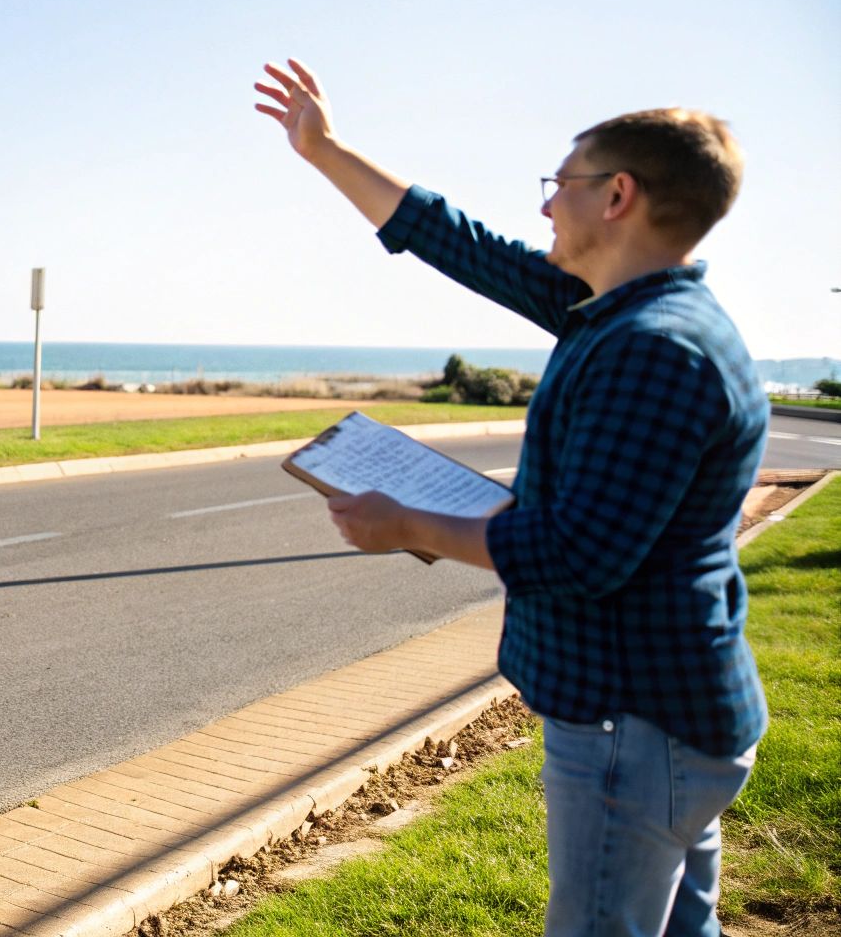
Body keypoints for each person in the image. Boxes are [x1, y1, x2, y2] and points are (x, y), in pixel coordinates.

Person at [253, 59, 766, 936]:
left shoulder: (654, 348)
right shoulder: (607, 307)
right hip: (663, 719)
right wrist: (324, 150)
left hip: (633, 725)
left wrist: (405, 522)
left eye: (559, 184)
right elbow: (463, 245)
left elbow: (580, 554)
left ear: (618, 197)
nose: (544, 206)